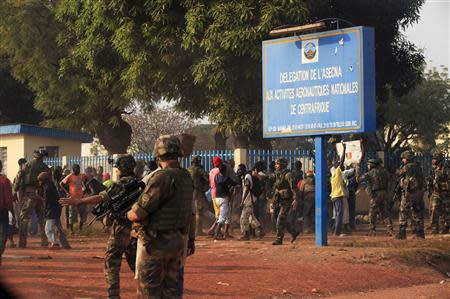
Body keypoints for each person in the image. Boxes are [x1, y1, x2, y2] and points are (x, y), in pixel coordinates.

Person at [60, 155, 138, 299]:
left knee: (111, 262)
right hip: (137, 229)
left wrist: (78, 201)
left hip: (121, 228)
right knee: (136, 264)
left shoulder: (121, 184)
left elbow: (101, 198)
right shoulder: (139, 182)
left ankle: (113, 296)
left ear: (120, 168)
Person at [127, 135, 195, 298]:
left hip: (157, 243)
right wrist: (191, 239)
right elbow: (192, 212)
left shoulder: (161, 177)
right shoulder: (186, 176)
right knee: (171, 291)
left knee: (148, 291)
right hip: (178, 240)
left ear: (158, 156)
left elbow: (137, 214)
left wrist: (128, 212)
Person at [17, 150, 49, 248]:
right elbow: (49, 181)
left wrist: (16, 189)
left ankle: (22, 243)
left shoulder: (27, 165)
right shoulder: (45, 167)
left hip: (29, 193)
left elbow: (19, 177)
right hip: (40, 194)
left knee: (24, 218)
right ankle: (44, 241)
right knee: (42, 218)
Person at [395, 150, 425, 240]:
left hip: (409, 193)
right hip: (419, 193)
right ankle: (420, 233)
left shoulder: (407, 167)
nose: (403, 160)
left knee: (403, 211)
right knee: (417, 212)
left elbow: (399, 173)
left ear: (407, 159)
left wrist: (397, 170)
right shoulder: (418, 167)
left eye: (403, 158)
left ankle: (402, 233)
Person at [358, 158, 392, 236]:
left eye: (369, 164)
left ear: (372, 165)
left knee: (372, 212)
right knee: (385, 212)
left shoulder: (370, 173)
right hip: (384, 193)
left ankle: (372, 230)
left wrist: (357, 169)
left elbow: (359, 180)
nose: (368, 166)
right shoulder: (385, 172)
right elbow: (390, 180)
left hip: (376, 194)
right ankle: (390, 229)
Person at [37, 172, 70, 249]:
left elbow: (47, 201)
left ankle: (54, 243)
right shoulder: (49, 185)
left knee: (48, 229)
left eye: (41, 180)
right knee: (59, 228)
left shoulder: (47, 188)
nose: (39, 182)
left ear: (44, 180)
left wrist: (39, 198)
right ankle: (65, 244)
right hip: (56, 209)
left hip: (52, 210)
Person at [271, 158, 299, 245]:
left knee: (280, 219)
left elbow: (294, 188)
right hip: (278, 200)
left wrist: (295, 199)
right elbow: (276, 187)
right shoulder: (278, 174)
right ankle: (294, 232)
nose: (276, 166)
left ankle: (279, 239)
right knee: (277, 218)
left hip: (287, 201)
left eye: (278, 164)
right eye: (276, 164)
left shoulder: (288, 175)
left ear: (282, 165)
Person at [239, 164, 265, 241]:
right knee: (251, 216)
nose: (238, 171)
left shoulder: (247, 177)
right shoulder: (246, 176)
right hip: (252, 198)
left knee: (244, 217)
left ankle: (246, 235)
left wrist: (242, 201)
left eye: (240, 169)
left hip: (249, 198)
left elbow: (247, 189)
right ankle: (260, 230)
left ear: (244, 169)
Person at [61, 164, 88, 233]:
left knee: (82, 213)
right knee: (72, 214)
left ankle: (80, 228)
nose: (78, 170)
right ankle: (71, 230)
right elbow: (61, 184)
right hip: (72, 198)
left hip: (81, 198)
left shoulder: (82, 175)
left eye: (78, 169)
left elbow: (87, 181)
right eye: (76, 169)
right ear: (73, 170)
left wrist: (85, 189)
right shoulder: (69, 176)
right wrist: (67, 192)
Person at [214, 163, 237, 239]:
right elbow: (235, 183)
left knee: (227, 216)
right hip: (223, 199)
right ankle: (216, 234)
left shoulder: (216, 177)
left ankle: (226, 233)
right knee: (222, 218)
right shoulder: (226, 178)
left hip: (217, 198)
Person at [428, 152, 449, 234]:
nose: (432, 160)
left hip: (445, 193)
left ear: (439, 159)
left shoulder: (445, 168)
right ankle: (434, 229)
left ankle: (445, 227)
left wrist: (442, 185)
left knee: (445, 211)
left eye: (434, 159)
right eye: (432, 159)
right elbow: (430, 180)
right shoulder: (433, 169)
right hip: (436, 193)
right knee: (434, 210)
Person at [188, 155, 210, 236]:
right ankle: (198, 231)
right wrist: (205, 187)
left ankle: (192, 230)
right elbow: (208, 178)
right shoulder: (198, 169)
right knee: (199, 212)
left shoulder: (188, 170)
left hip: (190, 193)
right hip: (198, 192)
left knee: (192, 212)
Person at [0, 160, 15, 266]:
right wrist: (12, 213)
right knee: (2, 235)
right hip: (2, 211)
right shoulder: (5, 181)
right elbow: (9, 200)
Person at [330, 144, 346, 237]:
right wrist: (344, 149)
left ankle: (335, 230)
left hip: (334, 196)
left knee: (337, 214)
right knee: (339, 214)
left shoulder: (333, 174)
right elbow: (342, 161)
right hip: (338, 195)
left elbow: (340, 162)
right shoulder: (337, 171)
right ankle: (337, 232)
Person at [207, 156, 223, 236]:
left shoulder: (211, 171)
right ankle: (213, 230)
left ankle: (215, 230)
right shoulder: (219, 171)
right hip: (219, 193)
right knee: (220, 214)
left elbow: (210, 183)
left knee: (218, 213)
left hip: (213, 193)